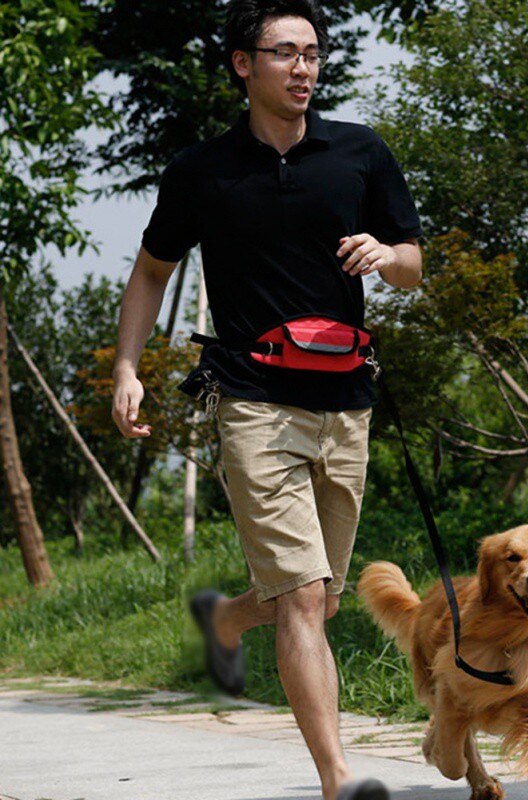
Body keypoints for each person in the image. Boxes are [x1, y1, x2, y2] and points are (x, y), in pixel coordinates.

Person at [110, 1, 424, 798]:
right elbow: (153, 270)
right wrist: (127, 366)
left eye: (313, 53)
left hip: (346, 399)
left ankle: (224, 619)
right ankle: (338, 780)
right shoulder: (201, 171)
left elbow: (414, 263)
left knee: (317, 596)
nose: (304, 68)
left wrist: (387, 255)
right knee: (305, 599)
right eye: (285, 52)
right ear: (243, 64)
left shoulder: (359, 153)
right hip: (252, 399)